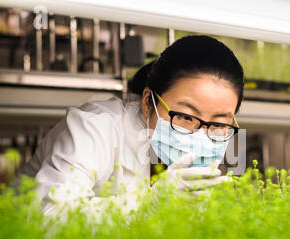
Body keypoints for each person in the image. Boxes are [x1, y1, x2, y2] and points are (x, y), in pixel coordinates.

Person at [17, 35, 244, 216]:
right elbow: (47, 218)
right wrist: (148, 205)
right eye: (185, 117)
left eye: (218, 123)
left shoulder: (204, 162)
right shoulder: (95, 128)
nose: (201, 136)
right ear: (147, 102)